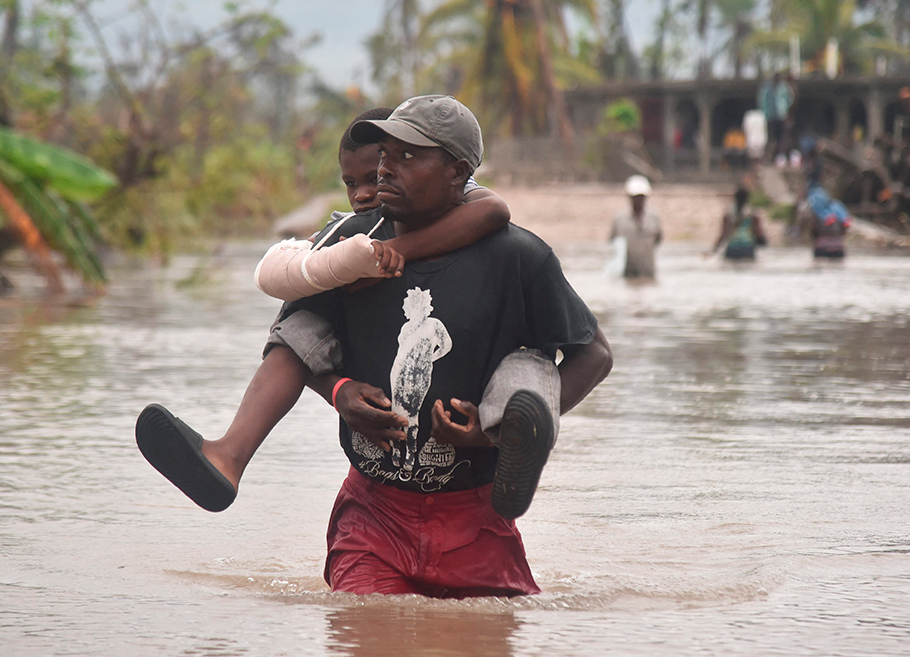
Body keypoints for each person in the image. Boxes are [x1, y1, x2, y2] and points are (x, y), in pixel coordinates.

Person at [292, 94, 612, 597]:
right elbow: (295, 347)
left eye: (408, 157)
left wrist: (496, 436)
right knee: (369, 630)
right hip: (372, 516)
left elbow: (593, 355)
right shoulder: (354, 247)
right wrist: (338, 392)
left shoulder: (515, 257)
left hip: (477, 521)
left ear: (458, 172)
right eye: (385, 154)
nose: (384, 170)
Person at [135, 108, 514, 514]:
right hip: (372, 413)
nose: (365, 194)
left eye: (376, 176)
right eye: (352, 183)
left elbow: (494, 209)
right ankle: (229, 455)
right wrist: (337, 390)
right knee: (299, 327)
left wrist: (398, 252)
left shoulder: (464, 218)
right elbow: (293, 334)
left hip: (454, 444)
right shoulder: (354, 233)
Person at [610, 175, 662, 279]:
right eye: (635, 197)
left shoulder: (654, 218)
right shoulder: (620, 219)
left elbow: (658, 240)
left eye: (641, 196)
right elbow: (613, 242)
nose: (638, 200)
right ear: (629, 197)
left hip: (648, 272)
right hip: (626, 273)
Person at [798, 174, 851, 260]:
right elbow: (845, 227)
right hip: (838, 248)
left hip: (821, 248)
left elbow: (811, 230)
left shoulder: (814, 211)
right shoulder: (838, 208)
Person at [711, 187, 767, 261]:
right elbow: (758, 233)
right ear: (747, 199)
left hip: (732, 248)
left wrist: (714, 250)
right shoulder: (752, 215)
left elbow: (724, 234)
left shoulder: (728, 215)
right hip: (747, 248)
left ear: (735, 198)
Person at [758, 72, 795, 159]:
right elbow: (762, 101)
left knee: (782, 137)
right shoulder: (766, 88)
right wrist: (764, 113)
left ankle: (780, 155)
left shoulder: (784, 87)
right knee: (771, 137)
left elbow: (790, 98)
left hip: (782, 116)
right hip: (770, 116)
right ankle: (770, 155)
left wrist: (786, 110)